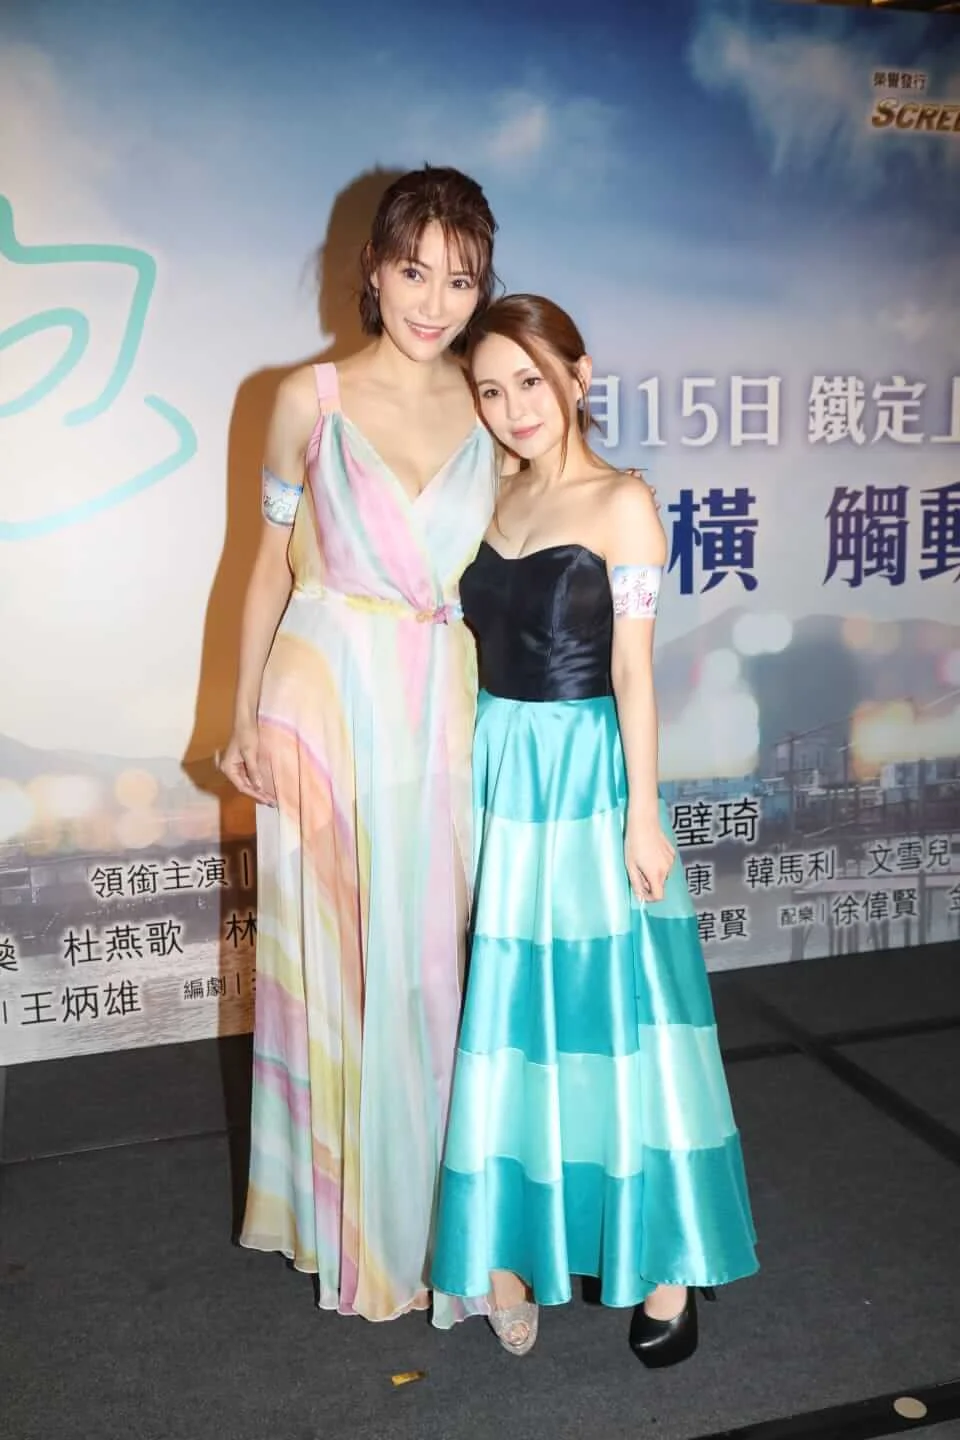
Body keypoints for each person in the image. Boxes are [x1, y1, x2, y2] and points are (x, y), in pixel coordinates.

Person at [431, 294, 758, 1359]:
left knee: (617, 1008)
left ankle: (667, 1264)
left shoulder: (625, 504)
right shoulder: (490, 493)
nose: (514, 407)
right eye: (491, 389)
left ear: (579, 375)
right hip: (499, 769)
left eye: (531, 380)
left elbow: (634, 672)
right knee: (516, 1014)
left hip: (586, 777)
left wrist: (642, 815)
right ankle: (514, 1240)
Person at [219, 167, 500, 1327]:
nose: (435, 301)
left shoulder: (492, 399)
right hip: (327, 697)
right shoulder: (309, 398)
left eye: (461, 280)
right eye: (414, 271)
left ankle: (449, 1232)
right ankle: (349, 1226)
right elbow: (264, 569)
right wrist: (241, 716)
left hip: (442, 698)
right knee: (337, 972)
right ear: (374, 272)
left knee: (435, 967)